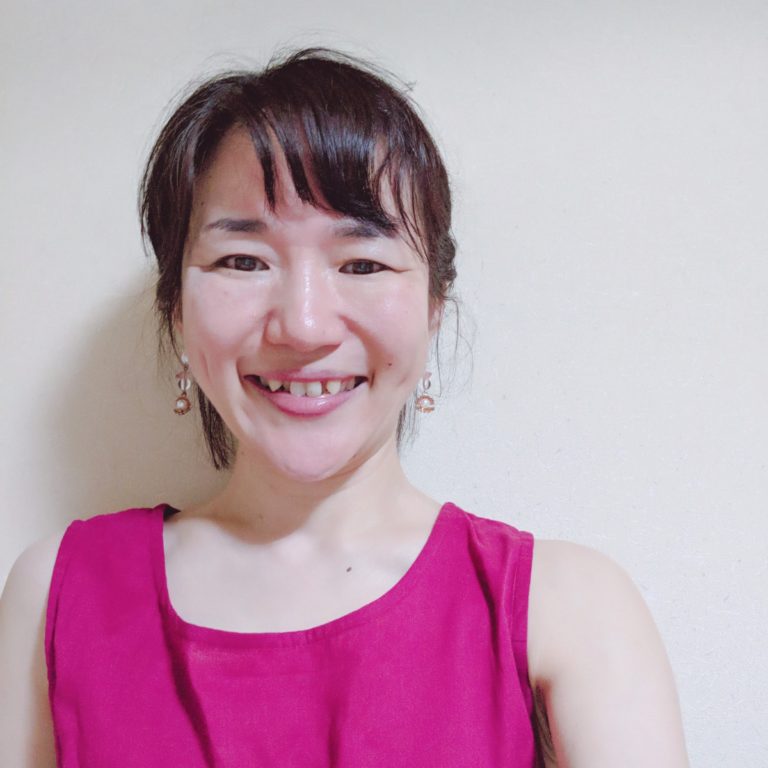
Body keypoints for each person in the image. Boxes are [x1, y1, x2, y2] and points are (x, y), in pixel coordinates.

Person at [0, 48, 689, 767]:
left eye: (362, 263)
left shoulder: (568, 608)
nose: (303, 326)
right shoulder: (55, 596)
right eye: (243, 261)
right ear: (177, 308)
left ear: (434, 309)